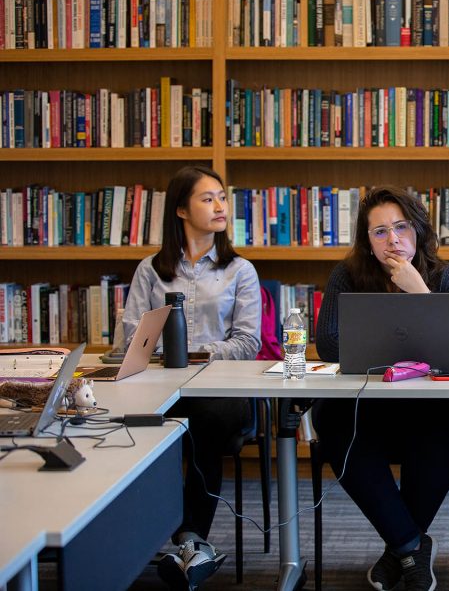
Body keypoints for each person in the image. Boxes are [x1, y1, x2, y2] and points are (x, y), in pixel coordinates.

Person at [312, 185, 449, 591]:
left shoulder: (445, 276)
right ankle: (410, 544)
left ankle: (399, 551)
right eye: (379, 231)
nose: (393, 239)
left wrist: (418, 290)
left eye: (401, 227)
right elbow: (329, 344)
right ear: (366, 241)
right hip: (367, 405)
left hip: (428, 406)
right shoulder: (346, 275)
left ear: (418, 230)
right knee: (328, 415)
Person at [121, 165, 261, 590]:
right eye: (207, 198)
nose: (220, 206)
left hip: (223, 391)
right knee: (125, 426)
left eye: (222, 197)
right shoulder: (151, 270)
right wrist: (171, 359)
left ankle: (187, 539)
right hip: (162, 388)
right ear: (181, 210)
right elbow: (134, 337)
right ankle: (179, 546)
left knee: (204, 422)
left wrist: (190, 354)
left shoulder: (240, 270)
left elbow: (247, 343)